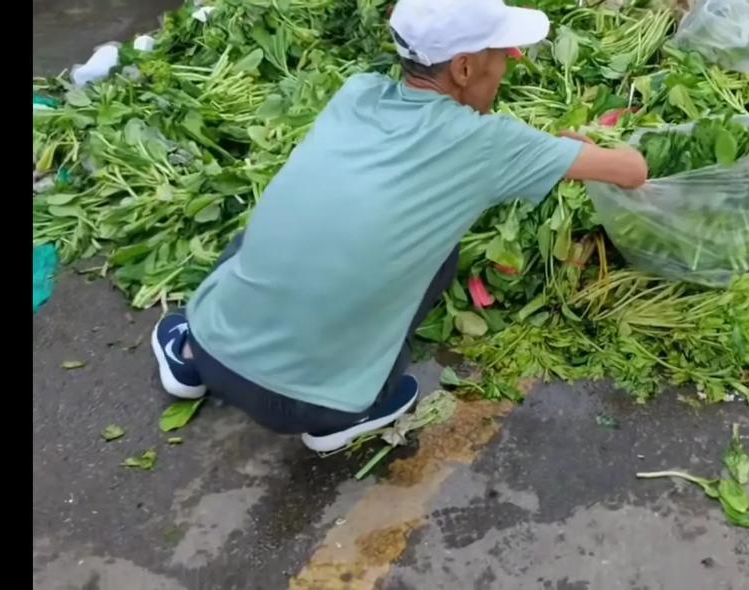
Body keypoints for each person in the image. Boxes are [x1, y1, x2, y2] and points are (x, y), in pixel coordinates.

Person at [149, 0, 648, 453]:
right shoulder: (489, 144)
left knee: (294, 219)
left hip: (212, 344)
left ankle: (187, 357)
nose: (509, 63)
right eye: (503, 53)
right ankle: (352, 412)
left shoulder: (356, 93)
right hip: (316, 405)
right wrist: (588, 146)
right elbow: (633, 173)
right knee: (440, 255)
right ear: (465, 66)